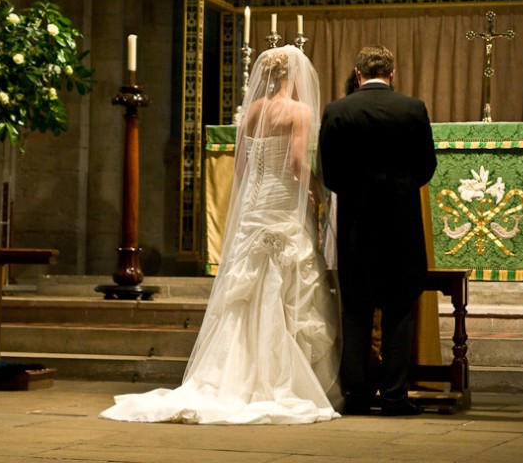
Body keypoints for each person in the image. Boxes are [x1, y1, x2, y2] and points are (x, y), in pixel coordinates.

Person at [100, 45, 343, 424]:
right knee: (284, 290)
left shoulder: (252, 112)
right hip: (281, 205)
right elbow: (297, 163)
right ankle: (279, 379)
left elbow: (243, 167)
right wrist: (315, 186)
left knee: (244, 293)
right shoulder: (299, 111)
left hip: (255, 207)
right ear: (293, 76)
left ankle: (232, 375)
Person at [319, 45, 437, 416]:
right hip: (401, 222)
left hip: (357, 224)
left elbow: (330, 172)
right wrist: (399, 187)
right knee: (399, 309)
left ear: (357, 74)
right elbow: (426, 166)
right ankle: (394, 396)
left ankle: (356, 395)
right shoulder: (413, 109)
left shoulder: (338, 110)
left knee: (356, 309)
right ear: (393, 72)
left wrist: (358, 190)